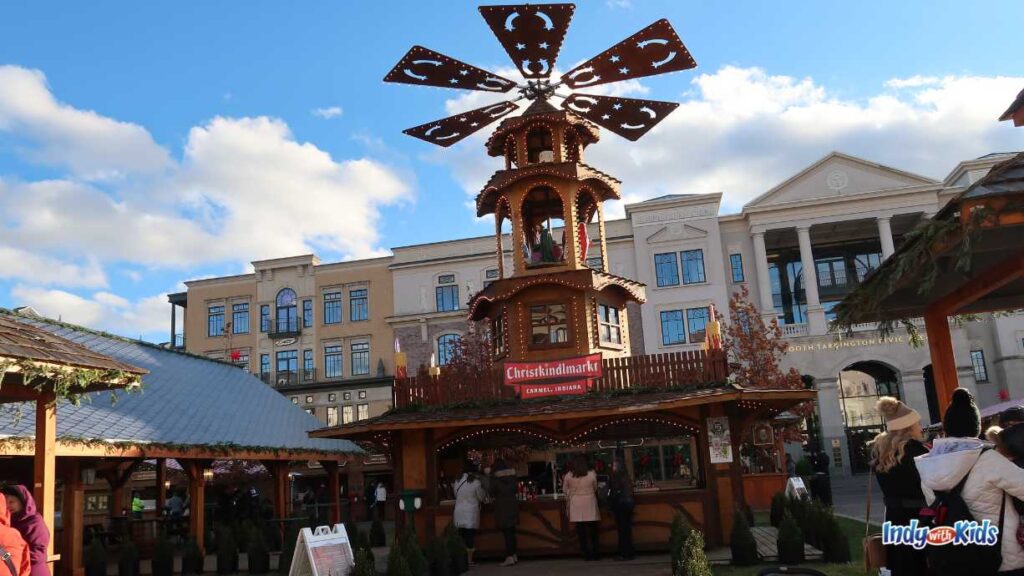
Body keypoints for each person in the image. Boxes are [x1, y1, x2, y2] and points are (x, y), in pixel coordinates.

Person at [916, 388, 1024, 575]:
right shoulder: (988, 459)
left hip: (954, 555)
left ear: (947, 427)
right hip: (999, 557)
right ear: (976, 427)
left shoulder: (928, 463)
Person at [868, 397, 930, 576]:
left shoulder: (881, 453)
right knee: (920, 567)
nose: (921, 427)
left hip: (894, 520)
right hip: (920, 520)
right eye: (918, 423)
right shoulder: (918, 452)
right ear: (908, 427)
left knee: (901, 568)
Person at [1, 486, 48, 576]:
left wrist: (17, 557)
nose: (8, 506)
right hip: (17, 568)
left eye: (12, 502)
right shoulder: (10, 522)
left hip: (34, 569)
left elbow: (38, 550)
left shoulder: (34, 521)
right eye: (6, 503)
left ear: (23, 502)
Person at [563, 454, 600, 561]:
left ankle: (586, 553)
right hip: (590, 502)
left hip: (576, 504)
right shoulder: (592, 474)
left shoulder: (569, 475)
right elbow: (595, 487)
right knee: (593, 530)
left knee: (581, 530)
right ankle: (595, 553)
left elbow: (565, 490)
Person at [453, 462, 488, 567]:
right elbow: (481, 497)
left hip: (459, 511)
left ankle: (461, 559)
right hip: (470, 512)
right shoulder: (476, 482)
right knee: (469, 536)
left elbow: (455, 494)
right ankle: (469, 560)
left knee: (461, 535)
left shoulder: (457, 480)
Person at [490, 460, 519, 566]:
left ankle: (509, 556)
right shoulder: (512, 477)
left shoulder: (495, 478)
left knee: (507, 533)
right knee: (512, 531)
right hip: (513, 505)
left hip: (502, 507)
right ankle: (514, 554)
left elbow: (491, 491)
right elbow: (516, 489)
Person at [608, 457, 635, 561]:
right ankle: (628, 552)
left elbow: (612, 491)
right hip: (627, 504)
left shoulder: (616, 478)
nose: (612, 467)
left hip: (621, 505)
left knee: (622, 530)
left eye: (614, 466)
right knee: (626, 530)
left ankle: (625, 553)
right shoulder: (625, 477)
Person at [0, 494, 30, 576]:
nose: (9, 506)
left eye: (12, 502)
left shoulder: (33, 523)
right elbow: (25, 565)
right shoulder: (14, 534)